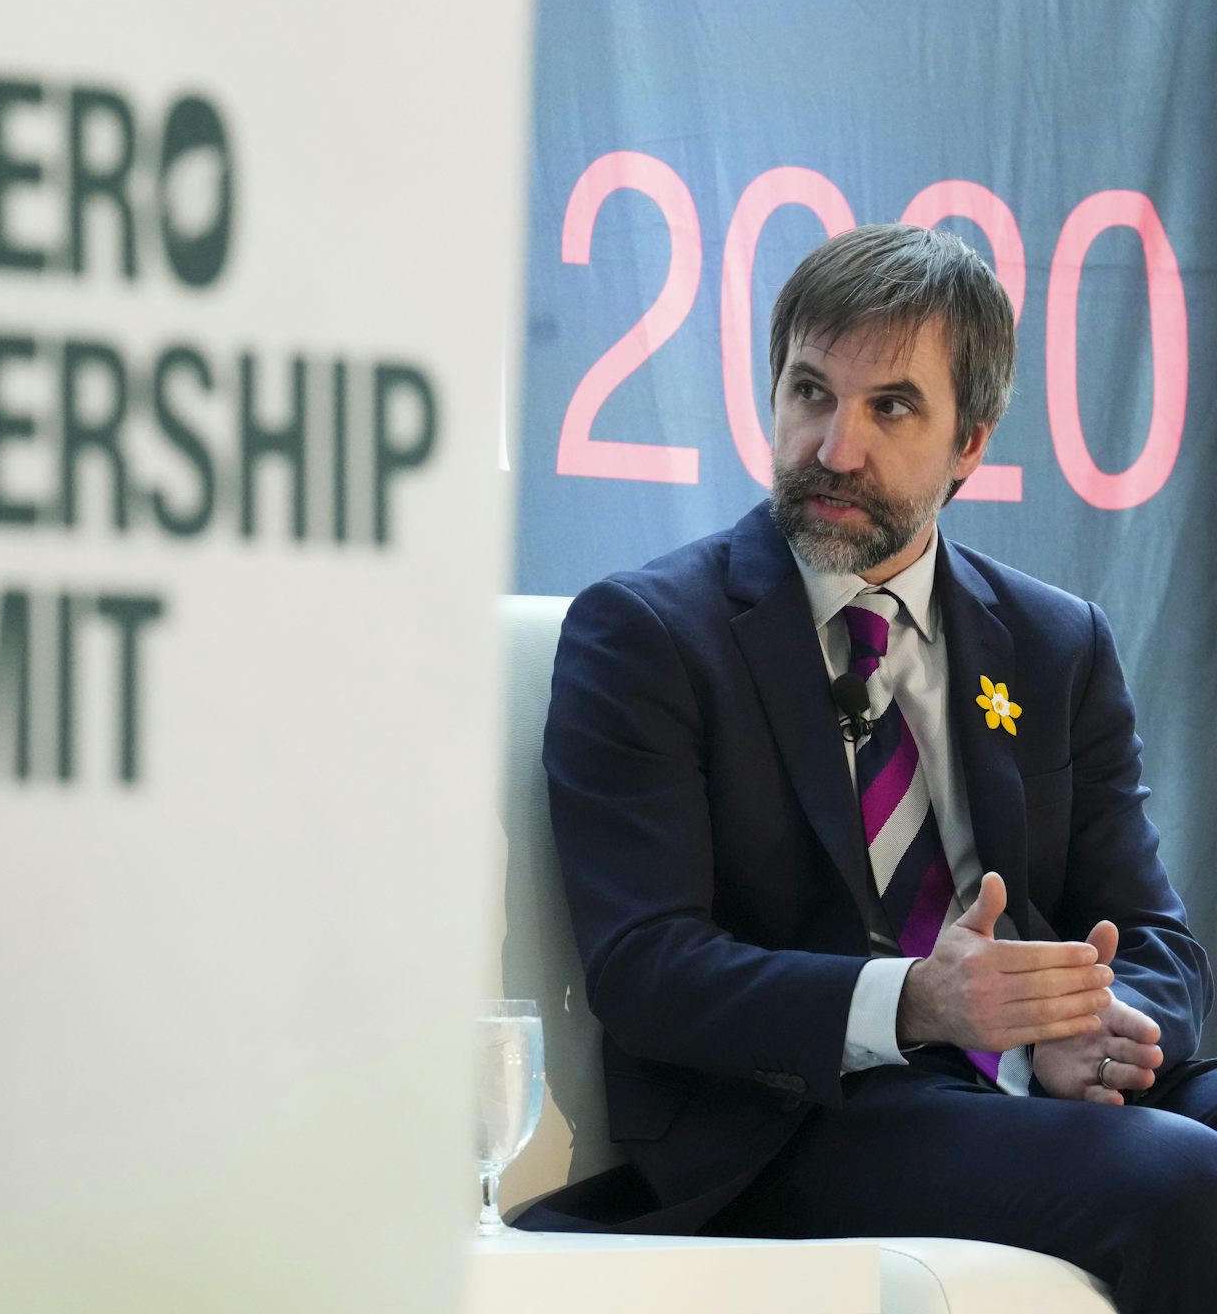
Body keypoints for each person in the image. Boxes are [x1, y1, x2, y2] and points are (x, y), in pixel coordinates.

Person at [515, 224, 1216, 1314]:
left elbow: (1158, 934)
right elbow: (646, 968)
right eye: (809, 391)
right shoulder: (649, 634)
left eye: (892, 407)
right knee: (1182, 1177)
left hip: (1016, 1090)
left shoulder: (1055, 642)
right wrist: (919, 1003)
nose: (835, 447)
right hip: (795, 1120)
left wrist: (1099, 1030)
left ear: (971, 441)